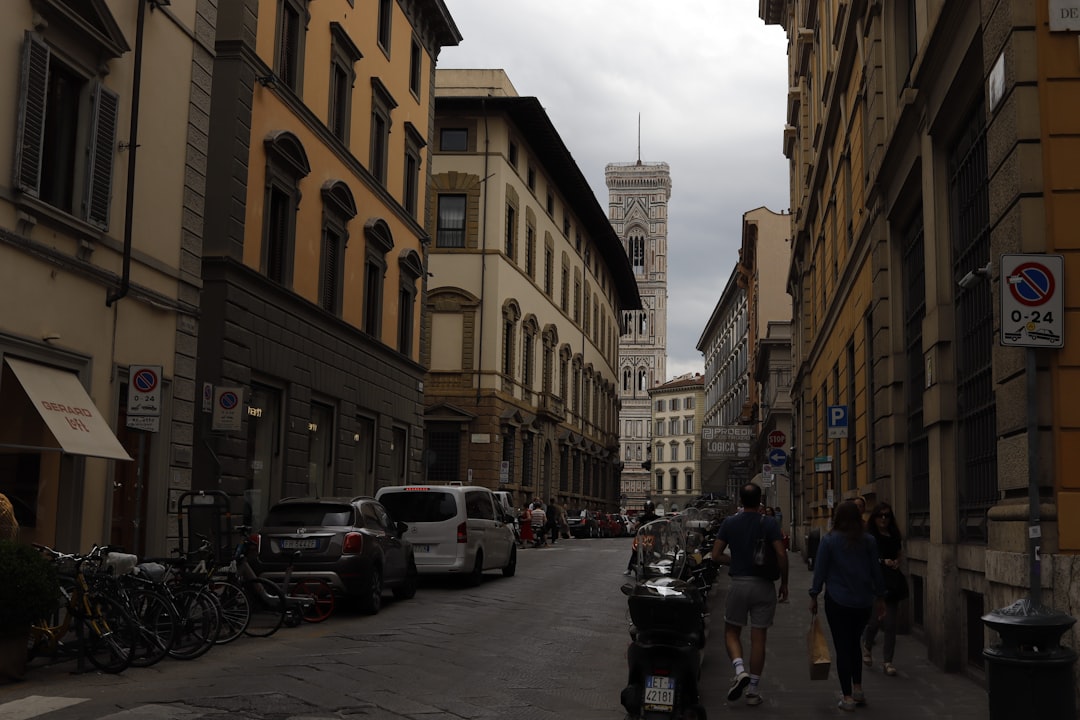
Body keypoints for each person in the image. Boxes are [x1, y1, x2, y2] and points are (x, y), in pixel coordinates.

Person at [710, 483, 789, 707]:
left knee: (731, 632)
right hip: (764, 585)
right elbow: (781, 555)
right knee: (759, 638)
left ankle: (739, 670)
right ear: (759, 500)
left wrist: (735, 561)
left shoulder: (730, 523)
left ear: (741, 501)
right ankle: (753, 691)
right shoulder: (769, 523)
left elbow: (715, 555)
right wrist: (784, 583)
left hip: (739, 584)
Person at [809, 501, 886, 712]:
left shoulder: (829, 541)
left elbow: (820, 571)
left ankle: (848, 697)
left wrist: (814, 595)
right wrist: (880, 597)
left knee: (843, 647)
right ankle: (858, 688)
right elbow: (876, 571)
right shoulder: (869, 541)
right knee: (854, 644)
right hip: (863, 602)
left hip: (837, 601)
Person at [862, 501, 905, 677]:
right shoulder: (869, 537)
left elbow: (899, 553)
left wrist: (897, 562)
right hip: (875, 582)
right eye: (880, 515)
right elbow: (865, 558)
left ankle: (888, 661)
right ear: (875, 517)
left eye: (887, 515)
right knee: (874, 621)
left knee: (890, 624)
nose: (884, 519)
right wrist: (882, 561)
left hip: (892, 582)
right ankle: (867, 645)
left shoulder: (894, 534)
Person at [625, 502, 659, 575]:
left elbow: (662, 524)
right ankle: (629, 569)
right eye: (647, 509)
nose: (648, 510)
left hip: (654, 538)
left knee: (660, 550)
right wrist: (634, 527)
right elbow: (637, 524)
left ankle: (661, 565)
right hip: (645, 538)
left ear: (652, 509)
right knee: (636, 551)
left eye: (649, 508)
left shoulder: (656, 518)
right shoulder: (643, 517)